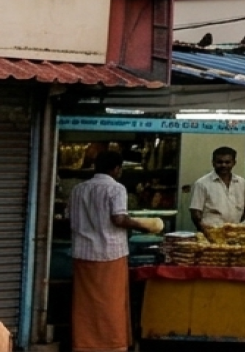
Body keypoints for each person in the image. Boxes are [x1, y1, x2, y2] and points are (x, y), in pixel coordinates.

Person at [70, 150, 156, 352]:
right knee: (111, 301)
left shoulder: (78, 189)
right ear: (117, 169)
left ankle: (84, 343)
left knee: (85, 302)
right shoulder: (116, 189)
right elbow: (119, 218)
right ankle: (112, 343)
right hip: (110, 253)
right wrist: (144, 225)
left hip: (83, 253)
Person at [189, 146, 245, 232]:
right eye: (219, 162)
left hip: (235, 233)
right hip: (211, 232)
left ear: (234, 163)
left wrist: (242, 228)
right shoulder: (202, 183)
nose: (223, 165)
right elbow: (195, 212)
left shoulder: (242, 182)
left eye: (227, 162)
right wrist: (205, 232)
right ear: (213, 163)